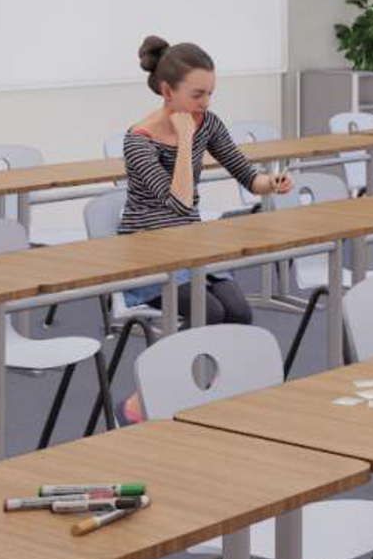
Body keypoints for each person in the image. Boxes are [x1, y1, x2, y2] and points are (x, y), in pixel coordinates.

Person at [115, 36, 293, 422]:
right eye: (198, 95)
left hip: (191, 247)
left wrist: (271, 183)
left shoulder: (206, 123)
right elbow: (178, 202)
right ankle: (141, 401)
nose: (206, 104)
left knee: (239, 312)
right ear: (167, 91)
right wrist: (184, 141)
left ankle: (209, 392)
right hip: (148, 252)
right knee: (209, 312)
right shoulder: (137, 142)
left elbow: (247, 175)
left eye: (210, 94)